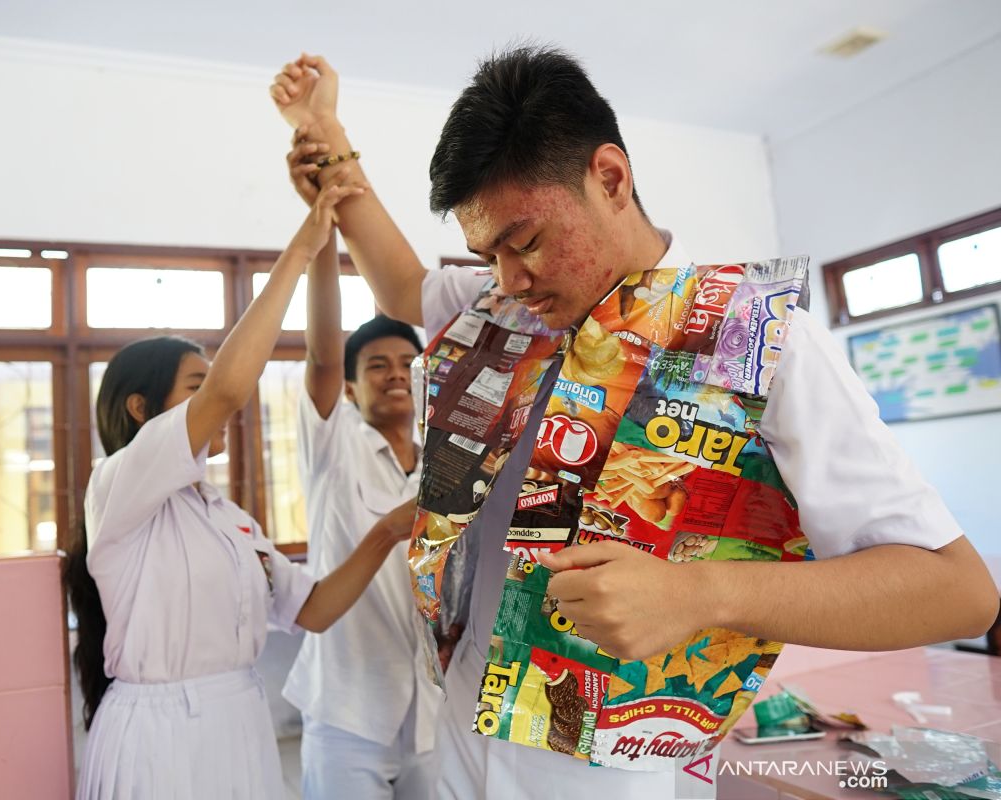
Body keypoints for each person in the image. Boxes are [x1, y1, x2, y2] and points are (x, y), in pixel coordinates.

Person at [270, 47, 1001, 798]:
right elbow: (398, 281)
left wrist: (701, 594)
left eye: (525, 243)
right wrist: (324, 133)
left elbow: (958, 591)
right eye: (486, 255)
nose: (507, 278)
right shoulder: (502, 307)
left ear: (610, 178)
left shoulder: (754, 338)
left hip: (614, 767)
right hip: (459, 723)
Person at [62, 173, 418, 800]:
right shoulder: (118, 483)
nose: (221, 405)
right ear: (141, 409)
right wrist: (303, 248)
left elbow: (312, 608)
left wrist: (391, 528)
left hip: (238, 719)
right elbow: (238, 384)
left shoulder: (228, 520)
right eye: (195, 389)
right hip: (159, 732)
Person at [279, 215, 440, 798]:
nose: (396, 375)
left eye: (406, 365)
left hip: (429, 707)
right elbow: (322, 355)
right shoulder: (335, 445)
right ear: (350, 387)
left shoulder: (443, 466)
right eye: (377, 366)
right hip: (349, 712)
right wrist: (323, 242)